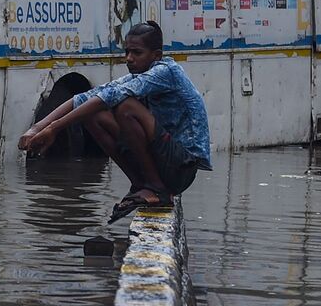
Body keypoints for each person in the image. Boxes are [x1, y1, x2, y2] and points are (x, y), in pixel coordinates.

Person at [18, 21, 212, 224]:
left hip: (181, 167)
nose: (129, 58)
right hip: (164, 159)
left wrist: (54, 128)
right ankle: (139, 184)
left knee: (125, 107)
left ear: (156, 55)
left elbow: (114, 97)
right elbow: (90, 95)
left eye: (137, 53)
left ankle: (156, 188)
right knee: (93, 113)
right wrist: (37, 128)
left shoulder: (166, 72)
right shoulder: (140, 75)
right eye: (127, 52)